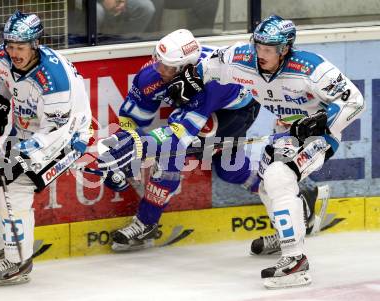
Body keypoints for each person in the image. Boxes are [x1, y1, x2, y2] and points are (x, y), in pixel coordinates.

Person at [169, 15, 365, 289]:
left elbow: (354, 101)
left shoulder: (312, 68)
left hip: (318, 136)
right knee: (266, 186)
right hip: (285, 134)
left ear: (285, 48)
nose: (260, 53)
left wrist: (319, 121)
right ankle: (289, 232)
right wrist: (191, 79)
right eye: (258, 46)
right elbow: (211, 65)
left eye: (268, 49)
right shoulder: (242, 57)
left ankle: (295, 261)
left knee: (277, 176)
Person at [96, 28, 262, 252]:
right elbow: (130, 119)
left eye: (169, 68)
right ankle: (287, 189)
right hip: (199, 111)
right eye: (158, 61)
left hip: (235, 112)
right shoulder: (150, 76)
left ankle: (146, 222)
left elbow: (178, 138)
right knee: (229, 170)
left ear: (188, 68)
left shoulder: (212, 82)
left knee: (170, 154)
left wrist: (136, 146)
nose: (160, 70)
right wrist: (122, 145)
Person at [0, 10, 92, 286]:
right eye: (10, 46)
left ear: (35, 44)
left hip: (66, 137)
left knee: (16, 183)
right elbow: (2, 84)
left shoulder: (55, 79)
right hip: (25, 129)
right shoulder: (0, 57)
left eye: (20, 47)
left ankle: (19, 260)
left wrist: (18, 159)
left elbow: (55, 133)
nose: (13, 52)